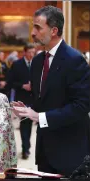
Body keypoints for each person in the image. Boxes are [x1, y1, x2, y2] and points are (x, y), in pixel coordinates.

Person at [12, 6, 90, 177]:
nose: (32, 32)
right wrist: (26, 110)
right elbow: (44, 102)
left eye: (38, 27)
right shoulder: (38, 61)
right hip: (44, 150)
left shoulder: (75, 60)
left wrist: (39, 117)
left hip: (70, 151)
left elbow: (81, 106)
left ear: (54, 30)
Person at [6, 43, 36, 160]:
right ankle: (25, 149)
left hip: (34, 99)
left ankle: (27, 147)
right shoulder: (17, 65)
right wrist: (22, 86)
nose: (31, 55)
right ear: (24, 52)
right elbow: (10, 82)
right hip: (22, 99)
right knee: (24, 124)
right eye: (29, 52)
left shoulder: (37, 64)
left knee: (29, 124)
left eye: (33, 52)